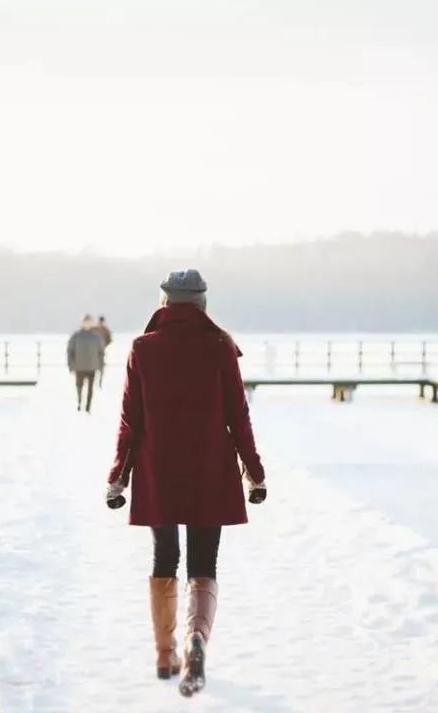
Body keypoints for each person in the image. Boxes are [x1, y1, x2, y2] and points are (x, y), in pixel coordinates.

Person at [104, 269, 267, 697]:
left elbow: (130, 419)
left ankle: (164, 652)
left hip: (158, 468)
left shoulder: (142, 348)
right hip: (210, 468)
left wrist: (118, 474)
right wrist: (254, 469)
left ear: (164, 303)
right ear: (201, 304)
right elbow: (238, 416)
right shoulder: (220, 348)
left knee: (164, 558)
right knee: (203, 564)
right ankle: (197, 641)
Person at [67, 315, 105, 412]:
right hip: (79, 366)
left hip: (92, 366)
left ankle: (88, 406)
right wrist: (71, 365)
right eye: (85, 322)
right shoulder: (76, 336)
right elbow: (70, 351)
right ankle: (79, 401)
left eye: (89, 322)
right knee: (79, 385)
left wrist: (101, 365)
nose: (87, 324)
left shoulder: (96, 336)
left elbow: (101, 352)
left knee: (90, 388)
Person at [93, 315, 113, 388]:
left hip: (101, 351)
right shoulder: (94, 328)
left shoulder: (105, 330)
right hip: (93, 351)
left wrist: (104, 345)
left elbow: (110, 339)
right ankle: (93, 381)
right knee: (93, 367)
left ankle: (100, 382)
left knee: (101, 367)